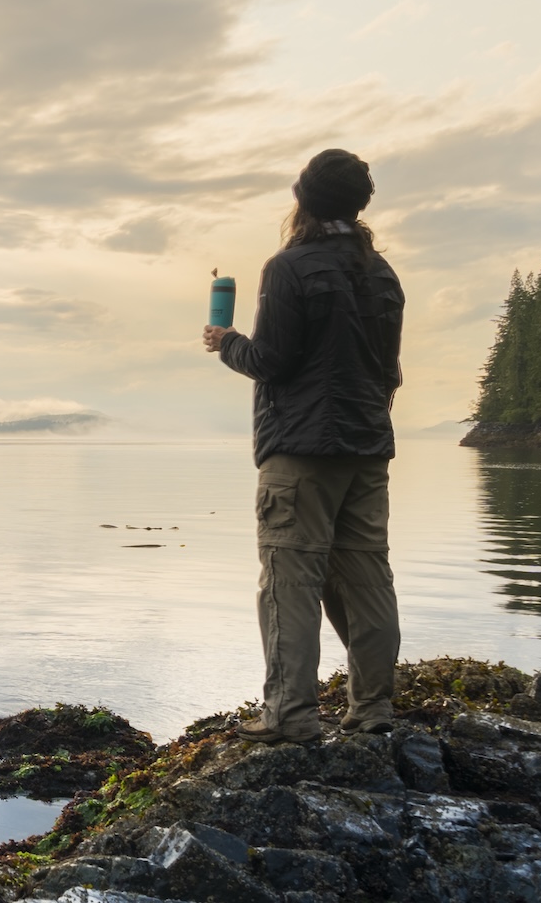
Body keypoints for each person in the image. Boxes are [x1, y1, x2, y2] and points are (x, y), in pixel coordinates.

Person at [202, 148, 405, 745]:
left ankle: (290, 717)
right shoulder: (383, 273)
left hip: (300, 449)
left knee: (289, 581)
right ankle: (372, 710)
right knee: (367, 578)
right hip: (367, 448)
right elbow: (388, 369)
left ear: (303, 199)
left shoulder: (289, 268)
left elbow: (274, 361)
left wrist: (228, 341)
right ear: (359, 204)